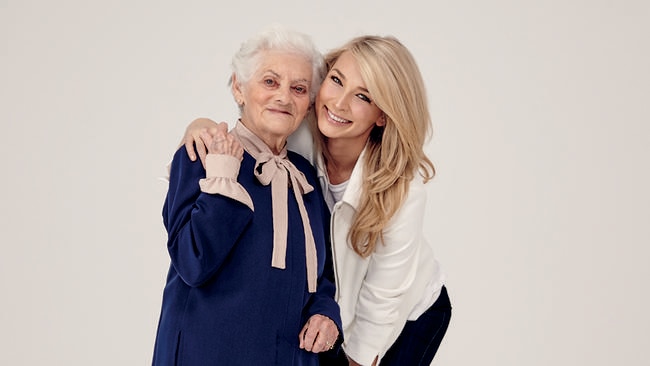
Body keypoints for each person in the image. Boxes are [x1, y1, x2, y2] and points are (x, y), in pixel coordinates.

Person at [182, 35, 451, 366]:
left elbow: (382, 299)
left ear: (382, 115)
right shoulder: (298, 136)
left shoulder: (403, 192)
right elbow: (249, 128)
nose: (339, 104)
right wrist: (203, 126)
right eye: (336, 81)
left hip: (408, 312)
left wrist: (357, 358)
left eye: (363, 97)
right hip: (332, 305)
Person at [152, 25, 342, 366]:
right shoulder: (201, 154)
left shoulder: (306, 176)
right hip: (205, 354)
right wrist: (224, 176)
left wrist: (325, 313)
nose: (284, 96)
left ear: (309, 104)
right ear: (239, 88)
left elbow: (323, 273)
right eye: (270, 81)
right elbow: (193, 262)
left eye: (298, 88)